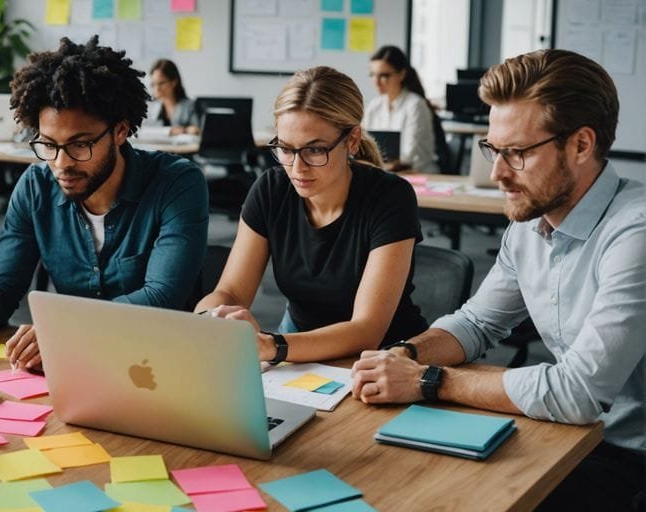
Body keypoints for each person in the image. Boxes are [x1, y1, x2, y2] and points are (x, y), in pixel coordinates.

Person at [351, 49, 644, 511]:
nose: (497, 173)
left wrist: (428, 380)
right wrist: (402, 356)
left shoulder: (636, 234)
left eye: (516, 153)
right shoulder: (530, 223)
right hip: (571, 432)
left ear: (582, 145)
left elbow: (578, 393)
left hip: (629, 455)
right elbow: (477, 324)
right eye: (494, 149)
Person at [0, 37, 209, 369]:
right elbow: (2, 286)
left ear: (120, 131)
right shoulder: (36, 187)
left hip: (161, 363)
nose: (61, 164)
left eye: (79, 145)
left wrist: (63, 329)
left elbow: (161, 298)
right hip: (76, 365)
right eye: (48, 145)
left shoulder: (177, 184)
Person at [195, 66, 427, 364]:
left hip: (385, 359)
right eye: (286, 149)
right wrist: (207, 319)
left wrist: (273, 347)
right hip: (300, 352)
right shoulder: (271, 188)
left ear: (352, 140)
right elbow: (231, 291)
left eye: (315, 150)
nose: (297, 168)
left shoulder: (390, 197)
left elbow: (366, 330)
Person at [363, 45, 440, 173]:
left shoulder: (416, 105)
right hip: (385, 172)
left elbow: (407, 156)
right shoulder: (374, 106)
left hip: (417, 174)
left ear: (401, 75)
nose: (376, 82)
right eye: (373, 75)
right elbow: (364, 146)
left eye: (384, 76)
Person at [145, 59, 199, 135]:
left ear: (174, 82)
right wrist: (170, 131)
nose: (157, 89)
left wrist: (184, 130)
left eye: (161, 83)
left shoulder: (190, 106)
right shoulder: (150, 107)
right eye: (153, 84)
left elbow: (197, 130)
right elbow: (142, 131)